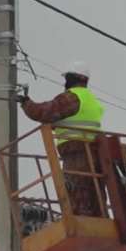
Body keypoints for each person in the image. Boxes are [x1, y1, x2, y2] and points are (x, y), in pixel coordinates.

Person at [19, 60, 105, 216]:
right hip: (94, 154)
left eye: (67, 78)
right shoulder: (91, 100)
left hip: (77, 154)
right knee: (95, 196)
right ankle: (97, 222)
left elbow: (44, 112)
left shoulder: (72, 97)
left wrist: (26, 103)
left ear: (73, 78)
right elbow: (74, 120)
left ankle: (81, 225)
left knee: (77, 194)